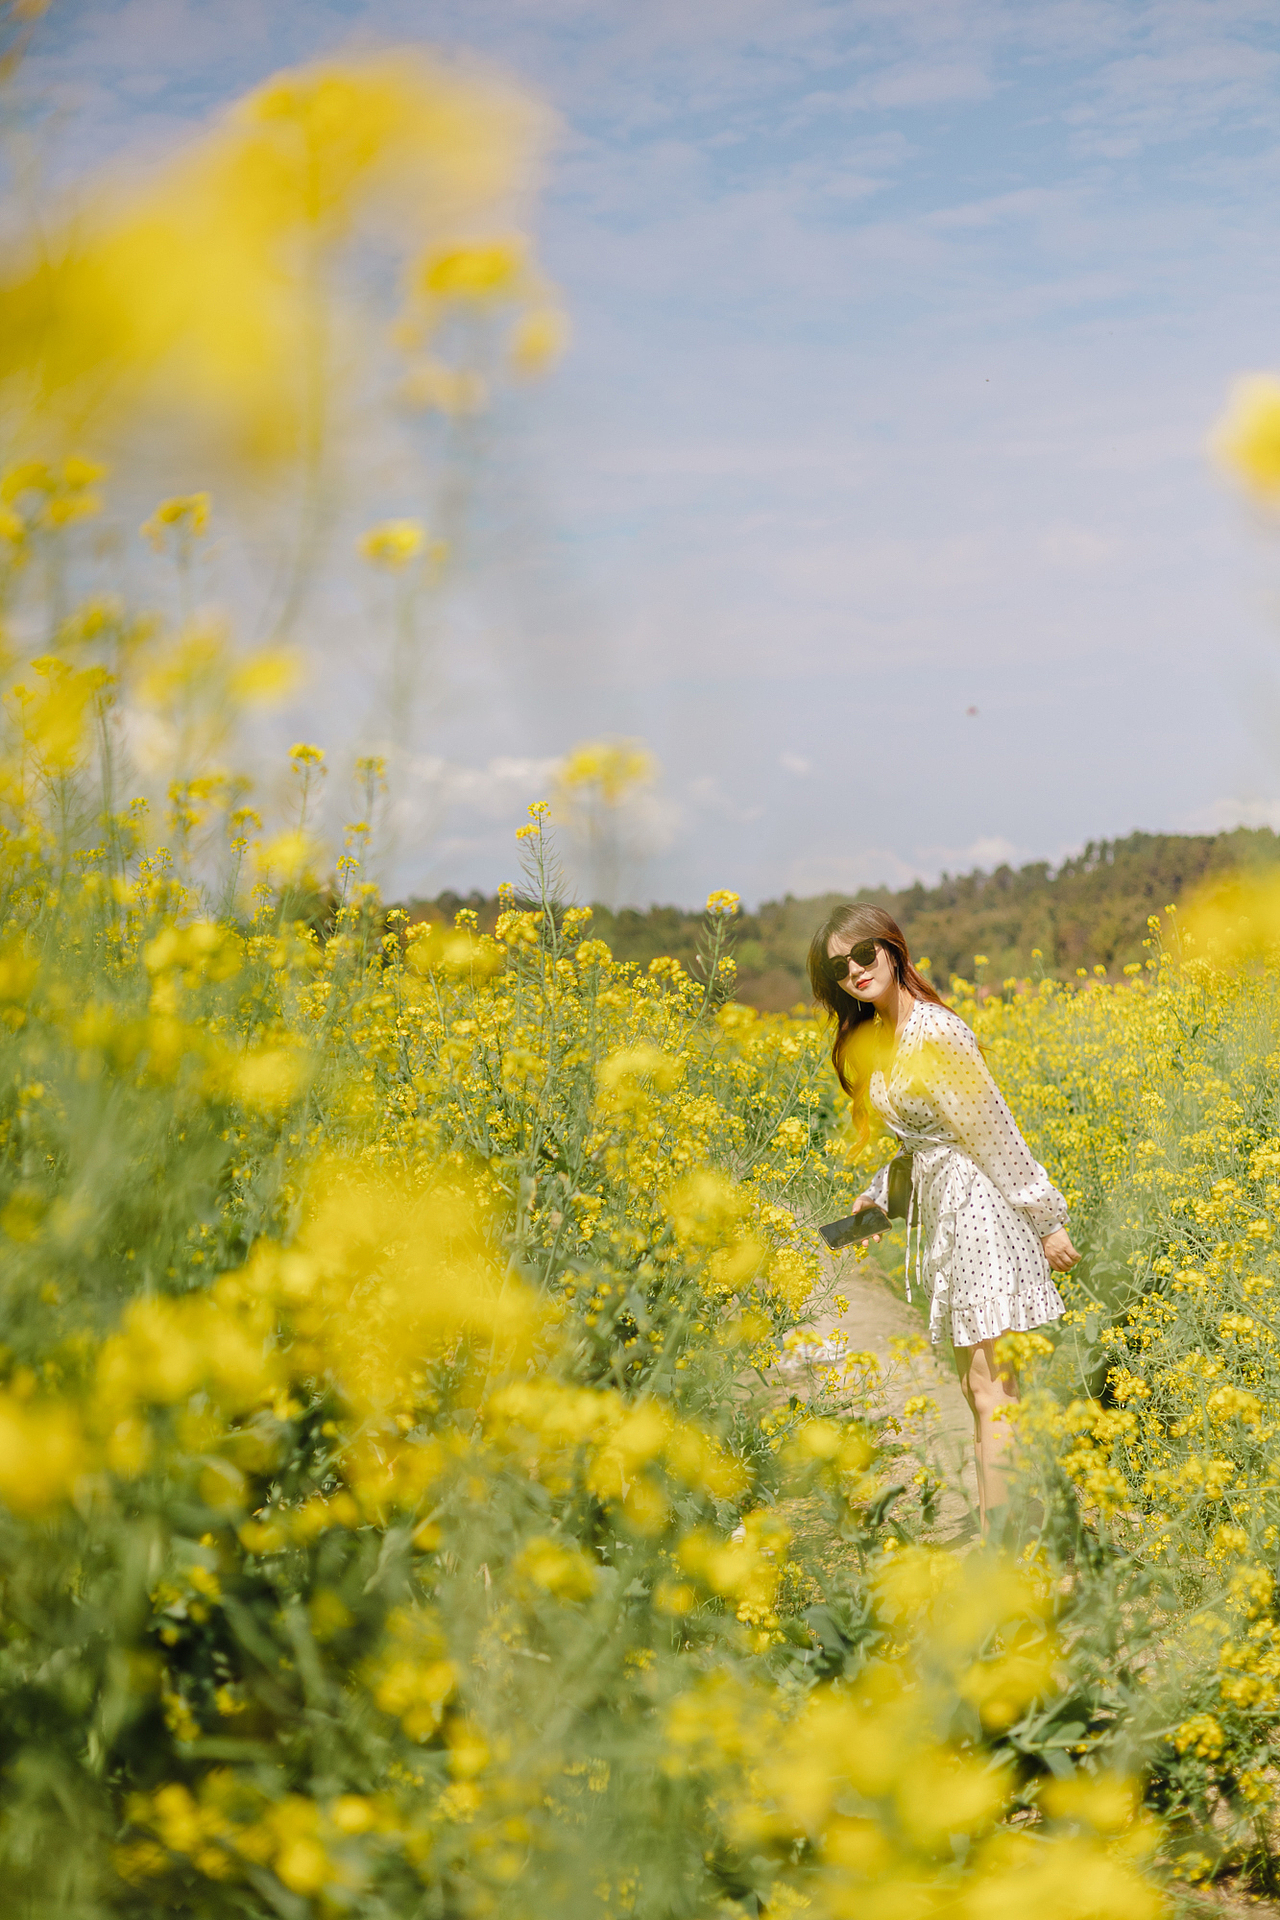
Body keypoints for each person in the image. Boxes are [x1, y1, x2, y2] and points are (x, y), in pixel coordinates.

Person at [807, 904, 1080, 1536]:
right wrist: (881, 1194)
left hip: (984, 1211)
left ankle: (1002, 1548)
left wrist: (1046, 1219)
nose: (854, 971)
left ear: (893, 950)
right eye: (838, 967)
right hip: (950, 1217)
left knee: (994, 1393)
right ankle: (1002, 1531)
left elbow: (992, 1130)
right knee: (978, 1392)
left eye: (864, 954)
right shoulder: (882, 1036)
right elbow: (921, 1141)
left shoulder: (935, 1031)